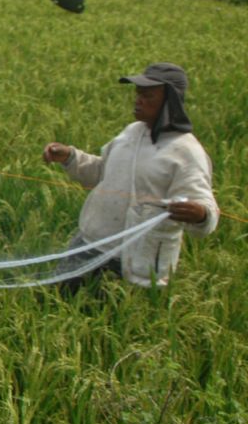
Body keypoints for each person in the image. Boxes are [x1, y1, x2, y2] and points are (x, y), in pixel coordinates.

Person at [42, 62, 218, 292]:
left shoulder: (186, 153)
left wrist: (201, 215)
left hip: (133, 261)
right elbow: (101, 173)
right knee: (56, 301)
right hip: (90, 244)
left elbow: (206, 209)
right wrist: (69, 157)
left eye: (148, 95)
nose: (138, 100)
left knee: (110, 320)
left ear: (170, 101)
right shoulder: (131, 133)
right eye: (138, 94)